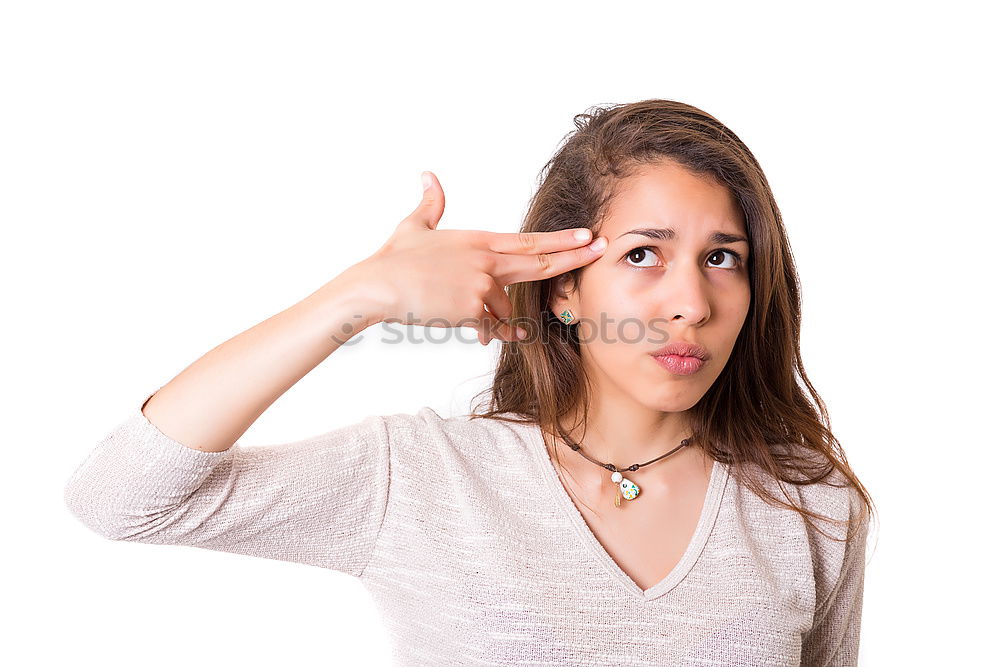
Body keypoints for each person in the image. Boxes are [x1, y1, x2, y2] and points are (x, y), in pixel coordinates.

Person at [64, 98, 875, 666]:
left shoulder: (810, 503)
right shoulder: (421, 477)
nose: (691, 303)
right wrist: (359, 296)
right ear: (563, 287)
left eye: (721, 257)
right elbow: (122, 496)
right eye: (641, 254)